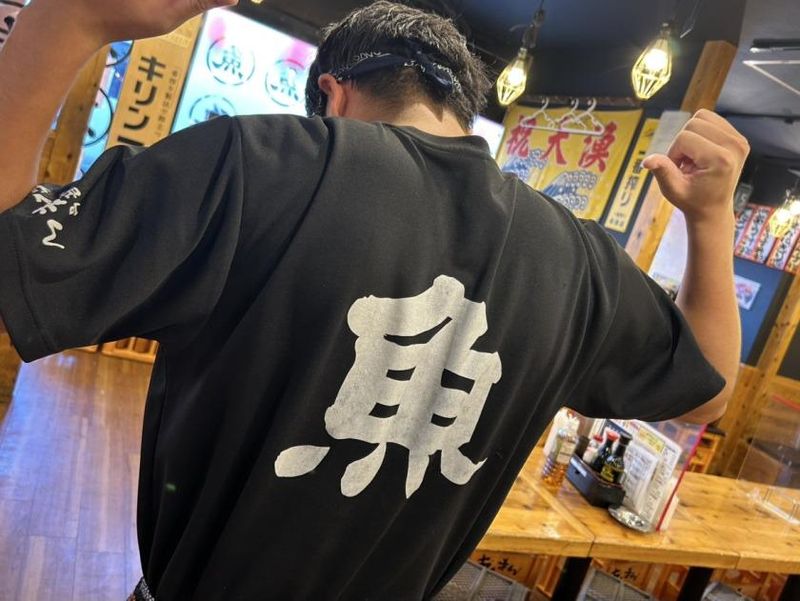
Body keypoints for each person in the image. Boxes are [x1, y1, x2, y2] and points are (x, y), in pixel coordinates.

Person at [0, 0, 746, 599]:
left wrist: (67, 19)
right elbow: (706, 389)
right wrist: (711, 220)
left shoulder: (258, 161)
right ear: (461, 104)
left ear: (331, 94)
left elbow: (12, 243)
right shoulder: (580, 260)